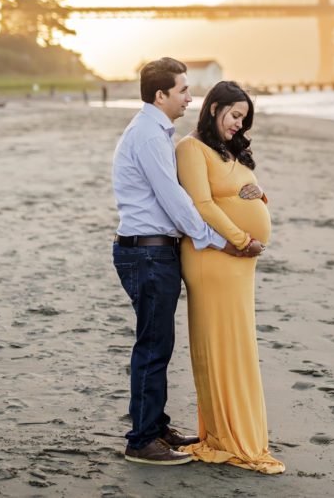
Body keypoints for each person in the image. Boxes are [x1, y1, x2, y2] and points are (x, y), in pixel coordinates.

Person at [111, 58, 254, 466]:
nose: (191, 97)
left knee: (158, 343)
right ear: (161, 95)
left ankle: (155, 427)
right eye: (183, 90)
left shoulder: (155, 132)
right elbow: (176, 201)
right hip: (148, 252)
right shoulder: (148, 136)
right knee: (153, 345)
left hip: (153, 250)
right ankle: (142, 440)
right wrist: (218, 241)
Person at [175, 81, 285, 474]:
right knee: (221, 346)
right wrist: (241, 239)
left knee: (239, 344)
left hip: (239, 261)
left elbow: (235, 191)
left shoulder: (226, 149)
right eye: (235, 115)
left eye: (244, 119)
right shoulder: (191, 148)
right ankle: (226, 435)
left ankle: (237, 431)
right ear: (213, 108)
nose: (239, 124)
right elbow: (202, 204)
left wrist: (259, 195)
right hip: (215, 258)